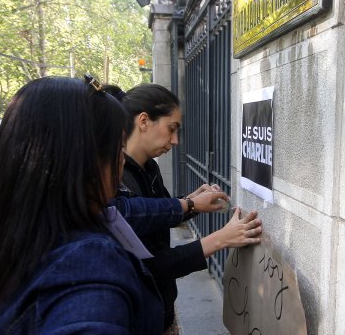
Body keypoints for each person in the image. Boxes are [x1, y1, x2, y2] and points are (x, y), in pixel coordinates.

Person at [0, 77, 237, 334]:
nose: (120, 159)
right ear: (81, 159)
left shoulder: (11, 236)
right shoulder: (89, 272)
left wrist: (189, 204)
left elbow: (139, 212)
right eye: (115, 148)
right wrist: (210, 230)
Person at [106, 83, 262, 335]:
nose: (175, 140)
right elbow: (152, 265)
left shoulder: (148, 167)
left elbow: (157, 217)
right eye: (171, 129)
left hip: (161, 311)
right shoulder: (116, 178)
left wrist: (191, 203)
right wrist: (220, 239)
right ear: (144, 121)